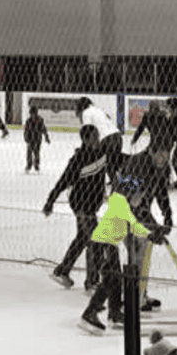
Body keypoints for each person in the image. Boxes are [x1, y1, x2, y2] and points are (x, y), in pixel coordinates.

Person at [80, 142, 173, 333]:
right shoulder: (124, 200)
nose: (164, 159)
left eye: (167, 155)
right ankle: (89, 314)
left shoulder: (127, 202)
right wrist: (152, 232)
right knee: (112, 278)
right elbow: (137, 218)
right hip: (105, 239)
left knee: (115, 276)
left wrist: (157, 227)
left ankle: (115, 313)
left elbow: (140, 212)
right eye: (161, 154)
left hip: (111, 238)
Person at [44, 124, 106, 291]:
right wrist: (51, 200)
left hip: (92, 205)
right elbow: (63, 181)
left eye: (98, 136)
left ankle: (62, 270)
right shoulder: (79, 159)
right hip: (81, 204)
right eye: (94, 137)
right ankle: (92, 280)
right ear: (85, 140)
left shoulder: (101, 154)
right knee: (95, 239)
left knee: (82, 238)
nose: (97, 140)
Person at [76, 97, 123, 184]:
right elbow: (108, 117)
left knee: (103, 162)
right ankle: (116, 180)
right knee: (114, 161)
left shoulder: (86, 113)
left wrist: (84, 147)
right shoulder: (98, 110)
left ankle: (114, 183)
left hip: (107, 139)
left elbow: (87, 130)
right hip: (118, 136)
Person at [23, 105, 51, 173]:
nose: (33, 116)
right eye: (32, 114)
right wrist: (26, 138)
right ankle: (29, 165)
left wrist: (46, 137)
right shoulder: (28, 121)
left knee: (36, 152)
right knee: (29, 152)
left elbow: (44, 129)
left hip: (37, 139)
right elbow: (26, 131)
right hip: (30, 139)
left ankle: (36, 165)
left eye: (34, 114)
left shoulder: (40, 120)